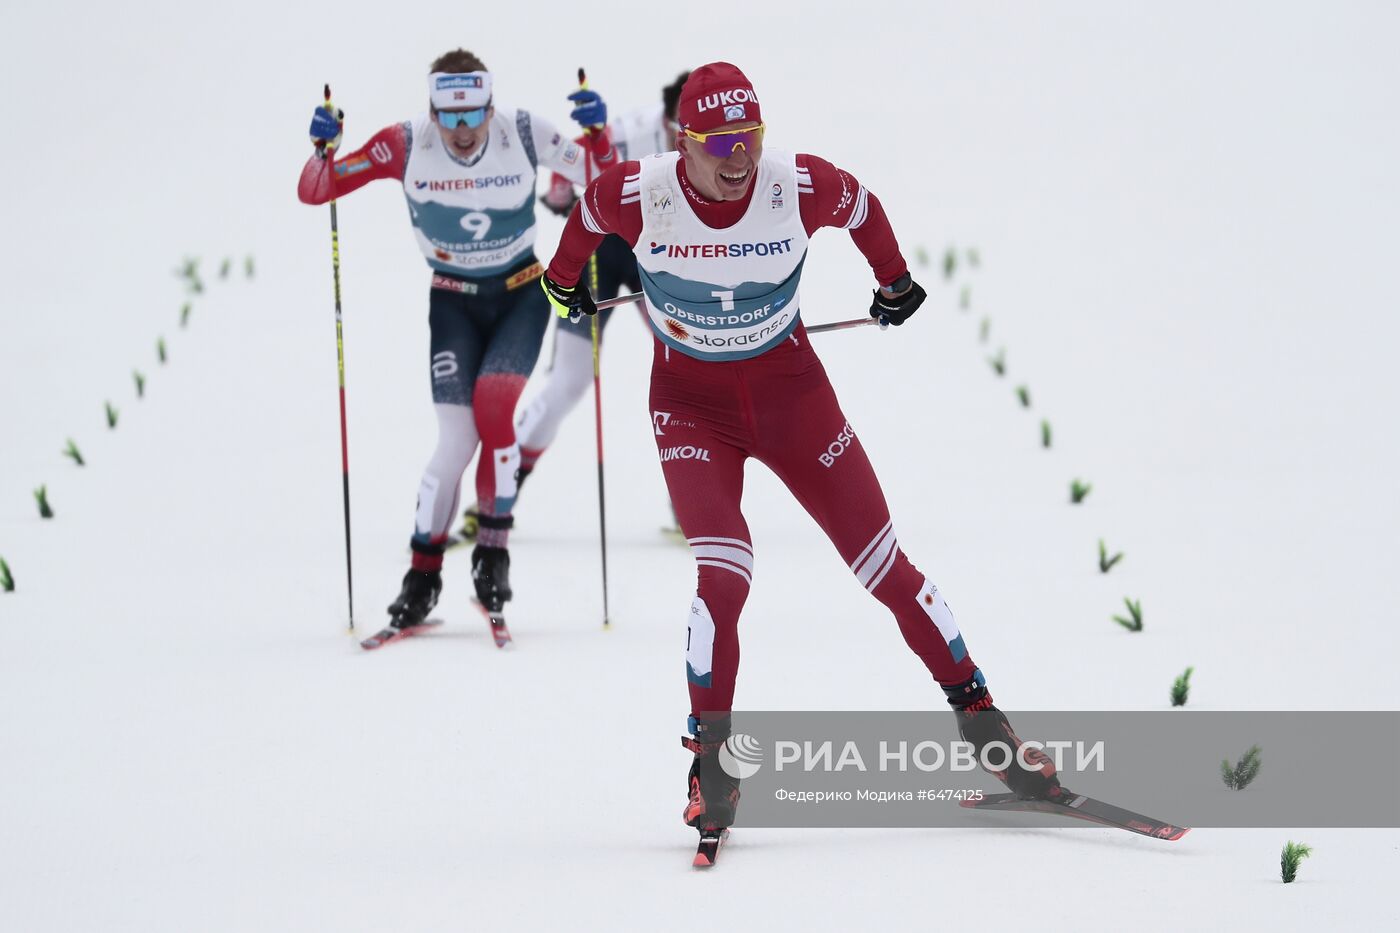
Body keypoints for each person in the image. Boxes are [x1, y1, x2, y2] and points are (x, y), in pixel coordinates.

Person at [539, 63, 1062, 839]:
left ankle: (989, 728)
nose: (739, 156)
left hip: (794, 401)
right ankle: (710, 767)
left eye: (749, 136)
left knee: (886, 566)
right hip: (691, 410)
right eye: (719, 142)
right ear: (684, 142)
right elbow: (583, 217)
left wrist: (895, 281)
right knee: (725, 569)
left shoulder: (797, 185)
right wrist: (562, 282)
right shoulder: (636, 191)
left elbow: (865, 206)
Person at [298, 49, 613, 633]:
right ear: (433, 109)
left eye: (475, 116)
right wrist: (323, 152)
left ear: (490, 106)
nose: (464, 131)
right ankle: (422, 577)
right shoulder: (405, 142)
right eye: (451, 116)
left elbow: (604, 177)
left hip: (520, 293)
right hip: (451, 301)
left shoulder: (520, 130)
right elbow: (318, 191)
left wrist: (598, 135)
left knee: (495, 409)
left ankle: (492, 554)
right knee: (455, 442)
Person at [457, 71, 691, 540]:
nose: (686, 142)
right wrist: (563, 195)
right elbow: (575, 161)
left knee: (688, 370)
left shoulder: (711, 146)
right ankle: (497, 496)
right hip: (601, 254)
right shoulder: (630, 130)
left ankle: (693, 501)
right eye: (679, 131)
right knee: (568, 382)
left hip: (659, 259)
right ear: (665, 119)